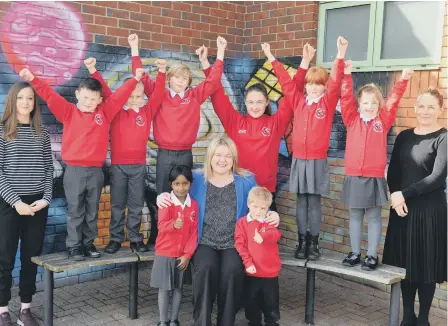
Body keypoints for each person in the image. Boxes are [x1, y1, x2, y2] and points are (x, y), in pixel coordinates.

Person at [19, 67, 144, 260]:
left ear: (100, 100)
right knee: (76, 210)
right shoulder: (68, 112)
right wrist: (33, 78)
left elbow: (120, 96)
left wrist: (135, 80)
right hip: (74, 171)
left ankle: (88, 244)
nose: (89, 103)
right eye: (85, 98)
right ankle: (74, 246)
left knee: (92, 211)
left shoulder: (106, 112)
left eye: (93, 99)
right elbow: (50, 95)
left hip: (96, 172)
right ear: (77, 95)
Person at [157, 136, 280, 326]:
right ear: (210, 156)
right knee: (205, 269)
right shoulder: (196, 178)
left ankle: (226, 321)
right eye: (218, 155)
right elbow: (176, 191)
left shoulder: (246, 180)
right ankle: (202, 321)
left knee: (232, 272)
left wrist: (273, 215)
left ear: (234, 159)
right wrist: (162, 196)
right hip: (204, 240)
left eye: (227, 156)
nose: (222, 160)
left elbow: (261, 203)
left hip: (234, 242)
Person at [199, 43, 316, 211]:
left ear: (267, 102)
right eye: (251, 102)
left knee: (267, 235)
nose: (255, 106)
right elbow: (216, 93)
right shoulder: (235, 122)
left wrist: (304, 63)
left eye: (260, 102)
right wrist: (206, 63)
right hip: (239, 191)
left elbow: (292, 93)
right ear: (245, 103)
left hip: (265, 194)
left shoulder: (275, 124)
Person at [263, 37, 348, 260]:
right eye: (310, 83)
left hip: (318, 160)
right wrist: (272, 58)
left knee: (314, 202)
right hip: (299, 160)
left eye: (318, 84)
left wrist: (339, 55)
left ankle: (314, 243)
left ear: (323, 86)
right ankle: (301, 243)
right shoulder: (298, 101)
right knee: (301, 200)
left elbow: (336, 80)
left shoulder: (327, 103)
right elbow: (285, 82)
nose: (313, 87)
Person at [85, 55, 167, 253]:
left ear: (142, 97)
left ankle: (136, 239)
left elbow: (158, 95)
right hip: (118, 167)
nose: (133, 99)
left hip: (138, 166)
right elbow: (105, 89)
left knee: (136, 204)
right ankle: (115, 239)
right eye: (130, 96)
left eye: (137, 96)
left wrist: (162, 72)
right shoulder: (115, 111)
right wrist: (93, 71)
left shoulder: (146, 112)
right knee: (117, 205)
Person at [340, 61, 413, 270]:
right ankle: (355, 253)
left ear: (379, 105)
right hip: (354, 175)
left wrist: (404, 79)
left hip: (374, 176)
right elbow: (345, 98)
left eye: (373, 103)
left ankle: (371, 256)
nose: (369, 106)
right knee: (354, 215)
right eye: (365, 102)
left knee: (372, 217)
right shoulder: (351, 119)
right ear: (359, 104)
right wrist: (346, 74)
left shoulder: (383, 119)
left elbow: (394, 100)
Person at [130, 35, 226, 195]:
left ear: (188, 82)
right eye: (177, 77)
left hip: (185, 154)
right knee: (163, 195)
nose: (181, 81)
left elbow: (213, 81)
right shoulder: (159, 94)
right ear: (169, 78)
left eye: (184, 79)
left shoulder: (194, 96)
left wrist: (221, 52)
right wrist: (134, 47)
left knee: (185, 196)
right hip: (165, 155)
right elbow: (140, 75)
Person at [383, 88, 447, 326]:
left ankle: (423, 319)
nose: (426, 111)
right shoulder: (403, 137)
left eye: (431, 106)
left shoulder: (443, 137)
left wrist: (403, 194)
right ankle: (407, 316)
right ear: (415, 108)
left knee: (426, 267)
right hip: (402, 211)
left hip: (430, 212)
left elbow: (437, 178)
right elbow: (394, 172)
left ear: (440, 109)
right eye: (422, 106)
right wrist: (394, 196)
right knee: (405, 265)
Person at [0, 82, 53, 326]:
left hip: (37, 207)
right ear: (13, 100)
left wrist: (46, 199)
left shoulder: (41, 133)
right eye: (20, 98)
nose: (25, 102)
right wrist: (16, 202)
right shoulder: (2, 132)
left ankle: (25, 309)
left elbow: (48, 169)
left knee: (31, 259)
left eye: (30, 98)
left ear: (34, 103)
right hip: (10, 205)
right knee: (5, 259)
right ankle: (2, 311)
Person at [151, 165, 198, 326]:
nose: (181, 187)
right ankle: (163, 321)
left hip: (181, 256)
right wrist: (174, 225)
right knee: (164, 289)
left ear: (190, 184)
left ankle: (174, 320)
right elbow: (161, 226)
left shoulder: (194, 206)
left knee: (178, 288)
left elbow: (194, 233)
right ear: (171, 185)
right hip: (165, 252)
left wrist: (187, 255)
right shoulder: (166, 203)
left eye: (185, 183)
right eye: (177, 184)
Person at [235, 187, 282, 326]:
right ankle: (254, 322)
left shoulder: (268, 221)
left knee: (271, 302)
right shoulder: (242, 223)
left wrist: (263, 236)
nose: (258, 211)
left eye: (262, 208)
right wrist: (247, 263)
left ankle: (271, 322)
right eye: (255, 207)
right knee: (251, 301)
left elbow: (276, 234)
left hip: (270, 272)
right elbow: (240, 245)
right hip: (252, 272)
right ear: (249, 204)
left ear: (267, 208)